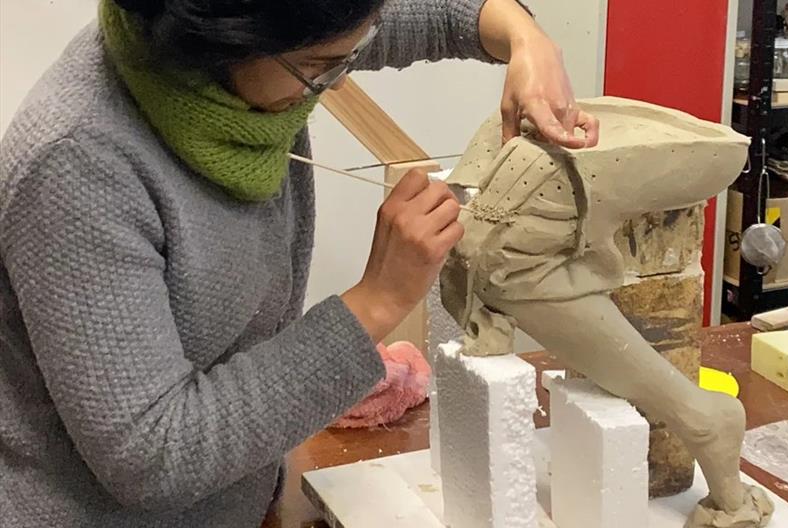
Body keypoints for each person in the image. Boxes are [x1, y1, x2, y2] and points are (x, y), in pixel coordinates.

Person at [0, 0, 599, 526]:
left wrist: (526, 39)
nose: (337, 83)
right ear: (227, 39)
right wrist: (378, 300)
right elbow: (156, 454)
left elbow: (433, 12)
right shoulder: (75, 167)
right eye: (321, 68)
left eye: (348, 56)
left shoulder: (259, 57)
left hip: (249, 497)